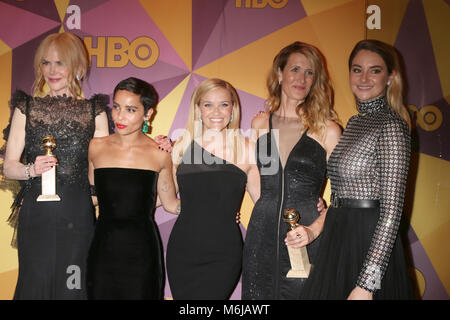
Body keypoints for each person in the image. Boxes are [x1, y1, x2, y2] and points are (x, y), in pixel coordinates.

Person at [300, 39, 413, 300]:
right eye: (356, 69)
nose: (363, 77)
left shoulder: (391, 126)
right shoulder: (353, 122)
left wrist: (367, 284)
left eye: (375, 70)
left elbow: (391, 213)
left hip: (367, 239)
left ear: (390, 78)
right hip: (339, 233)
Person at [2, 32, 109, 299]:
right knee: (34, 283)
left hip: (77, 212)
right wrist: (30, 170)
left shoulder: (95, 112)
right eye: (46, 63)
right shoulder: (25, 108)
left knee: (73, 286)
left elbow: (103, 168)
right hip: (37, 214)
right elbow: (9, 167)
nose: (51, 70)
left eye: (60, 63)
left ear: (77, 66)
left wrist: (95, 196)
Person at [241, 41, 342, 300]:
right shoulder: (260, 122)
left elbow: (346, 196)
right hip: (261, 237)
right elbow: (253, 174)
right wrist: (267, 207)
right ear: (279, 74)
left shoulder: (328, 129)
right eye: (295, 69)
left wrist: (315, 228)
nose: (302, 78)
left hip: (307, 238)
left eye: (309, 73)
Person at [165, 78, 261, 299]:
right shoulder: (181, 146)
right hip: (183, 250)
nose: (216, 111)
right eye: (208, 104)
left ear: (233, 108)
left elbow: (263, 202)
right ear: (197, 109)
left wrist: (302, 202)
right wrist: (156, 158)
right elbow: (165, 200)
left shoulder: (248, 150)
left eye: (224, 104)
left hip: (224, 252)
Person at [86, 77, 180, 300]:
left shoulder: (159, 153)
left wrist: (214, 209)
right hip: (102, 249)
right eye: (116, 107)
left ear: (148, 114)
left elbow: (171, 204)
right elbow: (92, 198)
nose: (120, 116)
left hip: (142, 252)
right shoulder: (96, 147)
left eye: (130, 109)